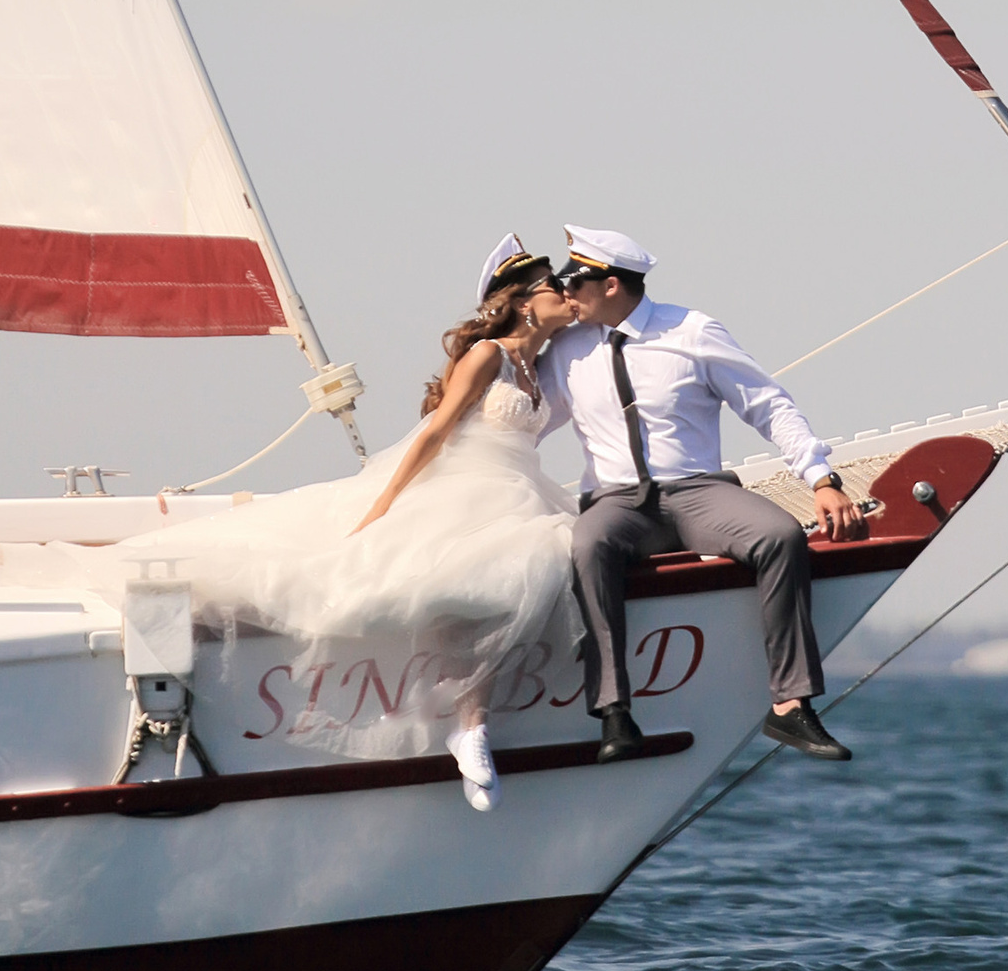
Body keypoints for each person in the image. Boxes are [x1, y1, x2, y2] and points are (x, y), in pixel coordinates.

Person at [103, 237, 578, 808]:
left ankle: (468, 720)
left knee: (530, 566)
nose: (568, 293)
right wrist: (386, 502)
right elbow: (437, 430)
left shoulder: (541, 361)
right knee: (449, 576)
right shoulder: (490, 356)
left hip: (521, 490)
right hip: (467, 489)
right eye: (556, 286)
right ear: (524, 300)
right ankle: (469, 726)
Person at [539, 226, 867, 766]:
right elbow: (530, 424)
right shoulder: (567, 351)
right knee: (588, 547)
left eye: (576, 282)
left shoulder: (691, 331)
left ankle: (790, 705)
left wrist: (821, 478)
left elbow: (767, 404)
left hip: (695, 492)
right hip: (617, 503)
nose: (567, 292)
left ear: (613, 284)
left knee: (779, 535)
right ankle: (614, 710)